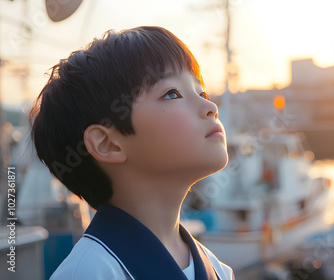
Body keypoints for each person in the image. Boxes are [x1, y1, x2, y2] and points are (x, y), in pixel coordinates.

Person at [28, 26, 233, 280]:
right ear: (108, 144)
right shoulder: (87, 273)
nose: (210, 106)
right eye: (172, 93)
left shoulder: (219, 271)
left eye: (202, 92)